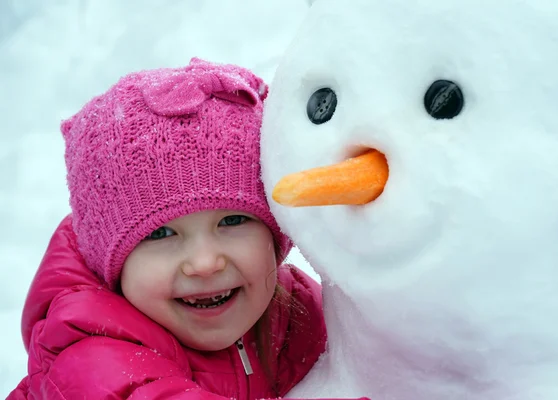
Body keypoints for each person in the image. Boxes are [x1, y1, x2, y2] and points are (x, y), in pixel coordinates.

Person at [7, 58, 337, 400]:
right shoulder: (89, 351)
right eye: (160, 234)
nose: (205, 262)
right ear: (109, 263)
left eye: (233, 220)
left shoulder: (293, 306)